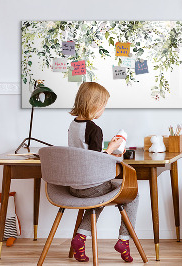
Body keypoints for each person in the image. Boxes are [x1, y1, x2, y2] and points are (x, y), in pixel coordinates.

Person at [68, 82, 138, 263]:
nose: (103, 110)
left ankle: (80, 238)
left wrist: (108, 149)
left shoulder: (73, 125)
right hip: (91, 186)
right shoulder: (94, 129)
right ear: (94, 105)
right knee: (133, 194)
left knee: (98, 197)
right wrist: (113, 148)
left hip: (74, 186)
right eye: (103, 106)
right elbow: (96, 161)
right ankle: (124, 240)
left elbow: (85, 154)